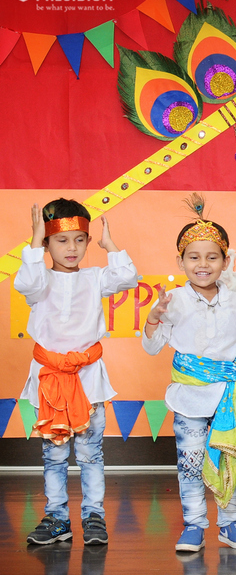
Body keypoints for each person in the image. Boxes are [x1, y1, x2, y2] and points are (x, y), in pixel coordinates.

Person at [142, 194, 236, 552]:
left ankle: (230, 523)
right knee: (190, 463)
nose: (203, 264)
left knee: (230, 457)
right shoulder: (173, 299)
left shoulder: (235, 300)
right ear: (181, 261)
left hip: (228, 399)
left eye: (212, 257)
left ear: (225, 261)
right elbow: (152, 347)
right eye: (194, 257)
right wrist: (154, 316)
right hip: (189, 397)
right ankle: (193, 525)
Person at [17, 199, 138, 545]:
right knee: (54, 455)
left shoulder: (95, 277)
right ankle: (57, 518)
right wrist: (35, 239)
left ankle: (94, 517)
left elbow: (127, 276)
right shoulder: (39, 279)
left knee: (91, 452)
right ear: (47, 243)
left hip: (88, 381)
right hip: (49, 381)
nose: (72, 248)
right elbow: (26, 283)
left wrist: (109, 245)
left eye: (80, 240)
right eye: (61, 240)